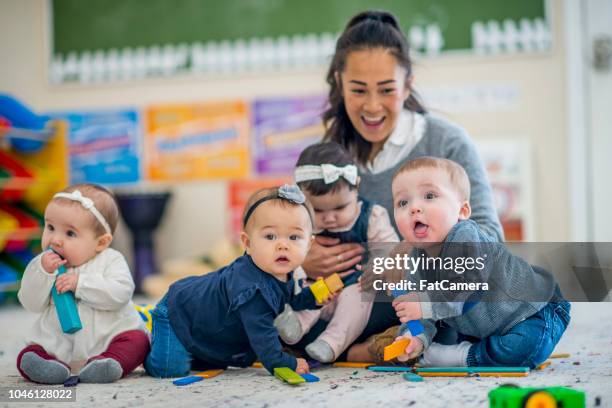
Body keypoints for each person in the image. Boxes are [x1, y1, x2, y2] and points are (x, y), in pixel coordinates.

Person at [297, 9, 504, 356]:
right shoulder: (329, 157)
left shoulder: (446, 143)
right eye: (359, 90)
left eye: (387, 90)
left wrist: (408, 252)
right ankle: (363, 345)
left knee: (440, 315)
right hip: (343, 296)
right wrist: (304, 254)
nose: (373, 106)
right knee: (274, 315)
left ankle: (366, 347)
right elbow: (288, 224)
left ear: (407, 84)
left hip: (423, 295)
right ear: (339, 81)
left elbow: (490, 241)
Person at [352, 157, 570, 368]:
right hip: (482, 326)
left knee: (525, 347)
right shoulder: (415, 258)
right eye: (402, 202)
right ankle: (452, 350)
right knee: (440, 328)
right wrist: (413, 337)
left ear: (462, 211)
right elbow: (424, 316)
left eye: (429, 196)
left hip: (535, 310)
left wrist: (423, 304)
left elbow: (467, 289)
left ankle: (460, 356)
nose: (414, 208)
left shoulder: (465, 236)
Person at [144, 185, 327, 377]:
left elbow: (289, 300)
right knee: (169, 369)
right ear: (248, 243)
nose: (283, 245)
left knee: (202, 363)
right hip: (177, 312)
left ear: (309, 245)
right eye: (270, 236)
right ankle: (145, 343)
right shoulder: (252, 290)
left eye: (294, 237)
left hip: (204, 323)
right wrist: (287, 363)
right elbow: (263, 341)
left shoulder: (284, 272)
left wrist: (313, 297)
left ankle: (186, 348)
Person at [274, 142, 398, 362]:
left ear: (356, 187)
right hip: (317, 287)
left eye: (340, 208)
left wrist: (377, 269)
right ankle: (295, 328)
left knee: (357, 298)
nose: (330, 218)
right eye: (318, 210)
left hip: (355, 287)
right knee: (307, 292)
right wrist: (298, 262)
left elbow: (391, 251)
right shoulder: (297, 219)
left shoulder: (371, 215)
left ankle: (330, 343)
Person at [17, 184, 149, 384]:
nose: (55, 240)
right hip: (58, 344)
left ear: (101, 243)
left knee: (139, 341)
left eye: (70, 233)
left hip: (108, 338)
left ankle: (107, 363)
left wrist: (81, 284)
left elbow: (121, 293)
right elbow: (30, 302)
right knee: (30, 352)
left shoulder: (111, 259)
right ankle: (46, 366)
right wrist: (43, 273)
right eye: (50, 227)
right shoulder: (42, 265)